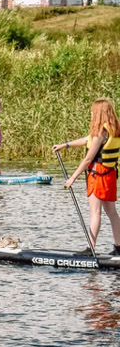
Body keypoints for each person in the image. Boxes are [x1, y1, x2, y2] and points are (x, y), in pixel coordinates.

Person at [54, 99, 120, 255]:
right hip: (109, 176)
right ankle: (119, 247)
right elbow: (86, 140)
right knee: (112, 212)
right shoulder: (113, 130)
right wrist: (65, 145)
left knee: (95, 213)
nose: (91, 113)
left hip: (98, 176)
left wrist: (72, 178)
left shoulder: (100, 133)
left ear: (99, 114)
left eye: (93, 111)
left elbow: (88, 159)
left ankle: (90, 248)